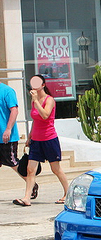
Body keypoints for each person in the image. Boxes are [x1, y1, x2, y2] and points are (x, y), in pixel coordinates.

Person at [13, 75, 68, 207]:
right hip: (36, 140)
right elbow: (35, 120)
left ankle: (68, 194)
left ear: (43, 85)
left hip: (49, 139)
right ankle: (27, 197)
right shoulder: (34, 102)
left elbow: (45, 115)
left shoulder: (49, 100)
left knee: (56, 169)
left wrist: (36, 101)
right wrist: (30, 136)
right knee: (30, 169)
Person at [1, 80, 35, 196]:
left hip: (6, 136)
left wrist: (8, 129)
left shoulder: (7, 91)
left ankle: (31, 184)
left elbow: (14, 110)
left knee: (12, 162)